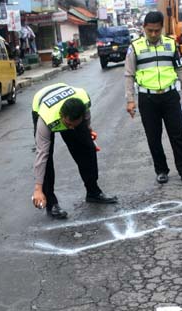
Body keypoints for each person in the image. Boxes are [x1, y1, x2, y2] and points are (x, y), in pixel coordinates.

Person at [124, 11, 182, 186]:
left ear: (162, 28)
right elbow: (129, 75)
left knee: (178, 134)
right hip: (147, 99)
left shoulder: (171, 45)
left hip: (170, 96)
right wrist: (130, 100)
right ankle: (161, 170)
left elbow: (181, 70)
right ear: (144, 28)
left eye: (157, 31)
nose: (153, 34)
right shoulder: (135, 47)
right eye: (150, 31)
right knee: (153, 137)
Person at [32, 83, 118, 219]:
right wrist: (38, 189)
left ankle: (93, 192)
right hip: (42, 105)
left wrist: (88, 130)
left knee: (88, 148)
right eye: (68, 124)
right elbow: (42, 154)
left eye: (74, 125)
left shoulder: (83, 100)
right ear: (62, 116)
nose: (70, 128)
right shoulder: (46, 118)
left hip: (70, 106)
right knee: (47, 158)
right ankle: (52, 203)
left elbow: (87, 117)